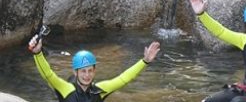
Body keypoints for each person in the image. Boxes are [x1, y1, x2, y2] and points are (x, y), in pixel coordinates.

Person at [28, 34, 160, 101]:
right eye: (83, 71)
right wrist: (38, 53)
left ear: (94, 71)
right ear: (76, 72)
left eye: (90, 70)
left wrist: (145, 61)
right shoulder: (66, 89)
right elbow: (48, 74)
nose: (87, 75)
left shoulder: (99, 90)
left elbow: (123, 79)